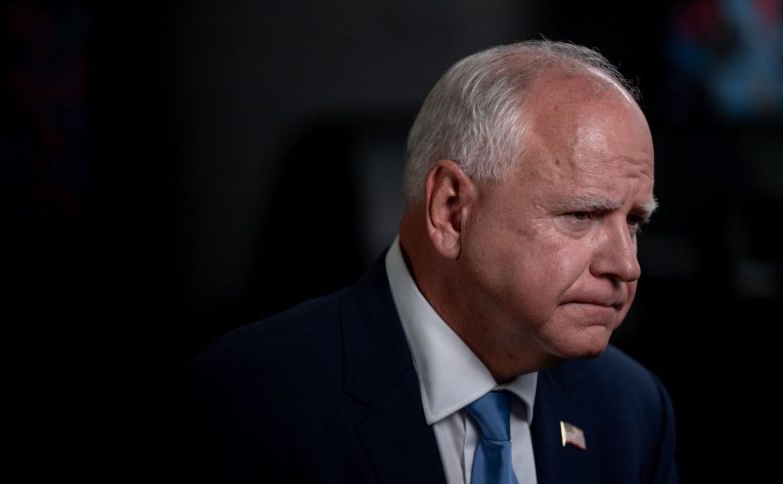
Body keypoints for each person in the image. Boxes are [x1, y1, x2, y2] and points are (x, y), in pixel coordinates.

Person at [186, 40, 678, 484]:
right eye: (581, 215)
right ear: (451, 212)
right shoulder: (250, 402)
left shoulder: (631, 408)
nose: (626, 265)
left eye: (633, 222)